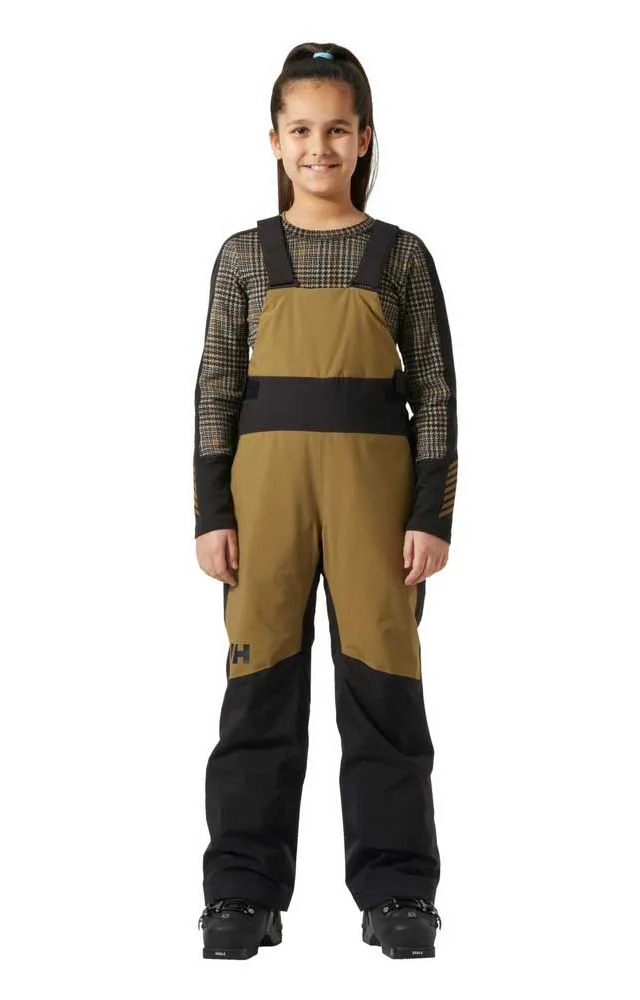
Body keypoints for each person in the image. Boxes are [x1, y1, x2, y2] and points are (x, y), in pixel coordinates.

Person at [192, 42, 458, 960]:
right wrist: (211, 513)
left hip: (374, 501)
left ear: (364, 138)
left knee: (382, 690)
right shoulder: (243, 256)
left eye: (337, 130)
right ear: (274, 140)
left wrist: (430, 514)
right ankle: (240, 892)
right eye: (301, 130)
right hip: (263, 498)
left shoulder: (401, 256)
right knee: (258, 688)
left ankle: (399, 892)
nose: (319, 147)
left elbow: (436, 391)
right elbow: (216, 388)